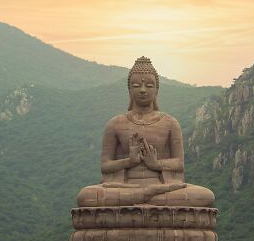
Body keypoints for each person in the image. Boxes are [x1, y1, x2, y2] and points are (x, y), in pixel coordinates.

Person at [76, 56, 215, 207]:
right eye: (136, 85)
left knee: (205, 196)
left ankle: (140, 198)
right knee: (86, 196)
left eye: (149, 85)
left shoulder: (170, 123)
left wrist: (156, 164)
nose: (143, 90)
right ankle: (147, 198)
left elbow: (179, 163)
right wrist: (129, 161)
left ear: (156, 90)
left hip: (162, 187)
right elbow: (106, 165)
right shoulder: (115, 124)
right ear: (129, 89)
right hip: (124, 187)